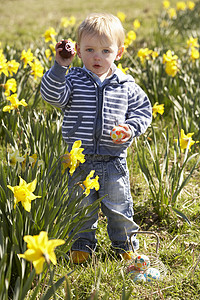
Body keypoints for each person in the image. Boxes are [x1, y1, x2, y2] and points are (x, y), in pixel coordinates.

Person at [41, 13, 152, 263]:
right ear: (78, 51)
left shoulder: (126, 85)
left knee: (119, 207)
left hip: (113, 161)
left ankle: (125, 245)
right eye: (90, 50)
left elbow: (143, 110)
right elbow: (51, 96)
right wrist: (60, 66)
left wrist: (130, 128)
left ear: (119, 52)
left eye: (105, 50)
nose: (97, 57)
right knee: (80, 206)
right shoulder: (72, 80)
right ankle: (82, 245)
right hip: (78, 161)